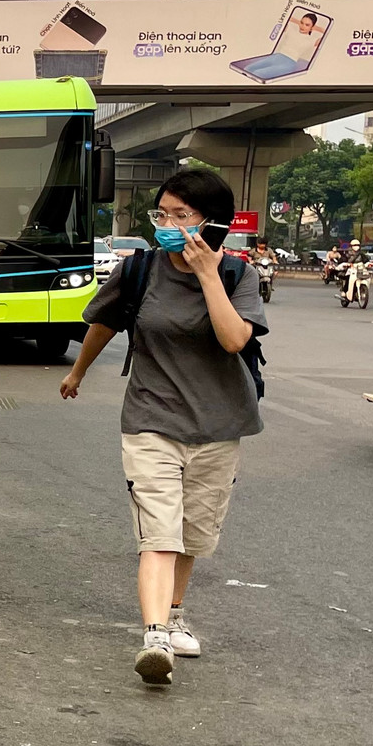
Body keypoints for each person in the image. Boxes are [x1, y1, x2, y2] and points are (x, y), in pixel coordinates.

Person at [59, 169, 268, 685]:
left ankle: (174, 614)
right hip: (151, 419)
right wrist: (78, 370)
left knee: (192, 534)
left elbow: (233, 339)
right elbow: (104, 324)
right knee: (159, 533)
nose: (168, 225)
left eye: (182, 215)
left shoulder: (240, 276)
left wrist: (206, 275)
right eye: (163, 214)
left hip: (219, 426)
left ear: (212, 222)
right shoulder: (139, 271)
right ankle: (154, 635)